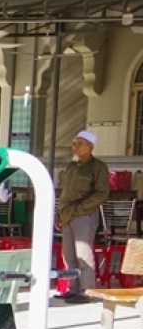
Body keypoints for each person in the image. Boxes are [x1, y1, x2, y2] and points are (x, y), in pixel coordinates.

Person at [57, 130, 110, 303]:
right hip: (67, 215)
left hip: (84, 215)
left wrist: (79, 209)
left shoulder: (98, 167)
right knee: (69, 255)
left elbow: (101, 193)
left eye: (80, 144)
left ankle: (86, 291)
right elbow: (65, 193)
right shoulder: (72, 166)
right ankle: (73, 289)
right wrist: (60, 214)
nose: (76, 147)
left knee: (83, 254)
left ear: (90, 146)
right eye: (74, 143)